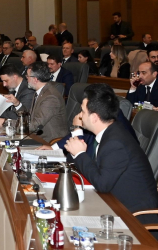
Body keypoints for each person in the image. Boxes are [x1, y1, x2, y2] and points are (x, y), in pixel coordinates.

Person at [64, 85, 158, 229]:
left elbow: (102, 184)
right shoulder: (110, 131)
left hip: (136, 219)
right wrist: (76, 153)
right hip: (112, 204)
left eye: (83, 111)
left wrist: (80, 154)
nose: (80, 116)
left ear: (94, 117)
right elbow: (89, 167)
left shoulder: (116, 142)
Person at [39, 85, 138, 155]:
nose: (80, 115)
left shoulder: (114, 126)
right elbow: (78, 135)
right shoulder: (97, 114)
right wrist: (53, 148)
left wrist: (77, 128)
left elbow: (86, 157)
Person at [17, 62, 68, 143]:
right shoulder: (40, 91)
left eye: (27, 76)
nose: (26, 78)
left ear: (35, 79)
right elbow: (30, 116)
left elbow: (35, 125)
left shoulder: (50, 97)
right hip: (37, 137)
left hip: (50, 142)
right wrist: (17, 104)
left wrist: (7, 123)